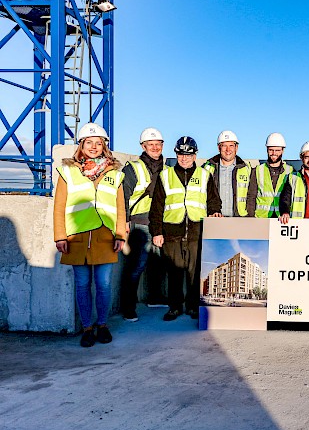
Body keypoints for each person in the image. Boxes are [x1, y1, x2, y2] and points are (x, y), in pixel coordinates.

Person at [53, 123, 126, 347]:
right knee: (82, 284)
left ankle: (102, 325)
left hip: (105, 237)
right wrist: (60, 236)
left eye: (98, 143)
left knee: (103, 284)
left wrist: (120, 235)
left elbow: (120, 207)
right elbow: (59, 207)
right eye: (89, 142)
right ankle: (87, 328)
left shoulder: (115, 173)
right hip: (77, 238)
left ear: (104, 146)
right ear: (81, 145)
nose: (94, 146)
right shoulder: (68, 172)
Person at [149, 137, 222, 321]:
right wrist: (156, 232)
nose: (184, 158)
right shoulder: (165, 176)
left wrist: (215, 212)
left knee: (194, 272)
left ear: (195, 155)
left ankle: (192, 307)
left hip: (197, 232)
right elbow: (157, 207)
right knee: (174, 272)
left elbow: (213, 200)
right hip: (172, 231)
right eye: (181, 154)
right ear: (176, 154)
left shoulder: (205, 175)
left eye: (188, 154)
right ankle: (175, 307)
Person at [120, 127, 167, 322]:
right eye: (151, 145)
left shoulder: (166, 169)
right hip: (139, 224)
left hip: (159, 223)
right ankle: (128, 307)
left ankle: (155, 297)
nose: (155, 148)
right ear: (143, 146)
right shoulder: (133, 168)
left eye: (158, 144)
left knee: (158, 263)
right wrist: (124, 222)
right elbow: (123, 195)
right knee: (136, 267)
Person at [203, 130, 251, 217]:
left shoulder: (247, 168)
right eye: (224, 146)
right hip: (215, 219)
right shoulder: (207, 168)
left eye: (231, 146)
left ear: (236, 148)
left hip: (239, 220)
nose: (228, 150)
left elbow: (252, 195)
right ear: (219, 148)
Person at [246, 132, 293, 218]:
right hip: (262, 217)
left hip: (282, 218)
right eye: (271, 150)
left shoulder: (290, 171)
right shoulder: (258, 170)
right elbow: (251, 196)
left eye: (277, 150)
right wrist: (251, 217)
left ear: (283, 150)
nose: (274, 153)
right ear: (267, 149)